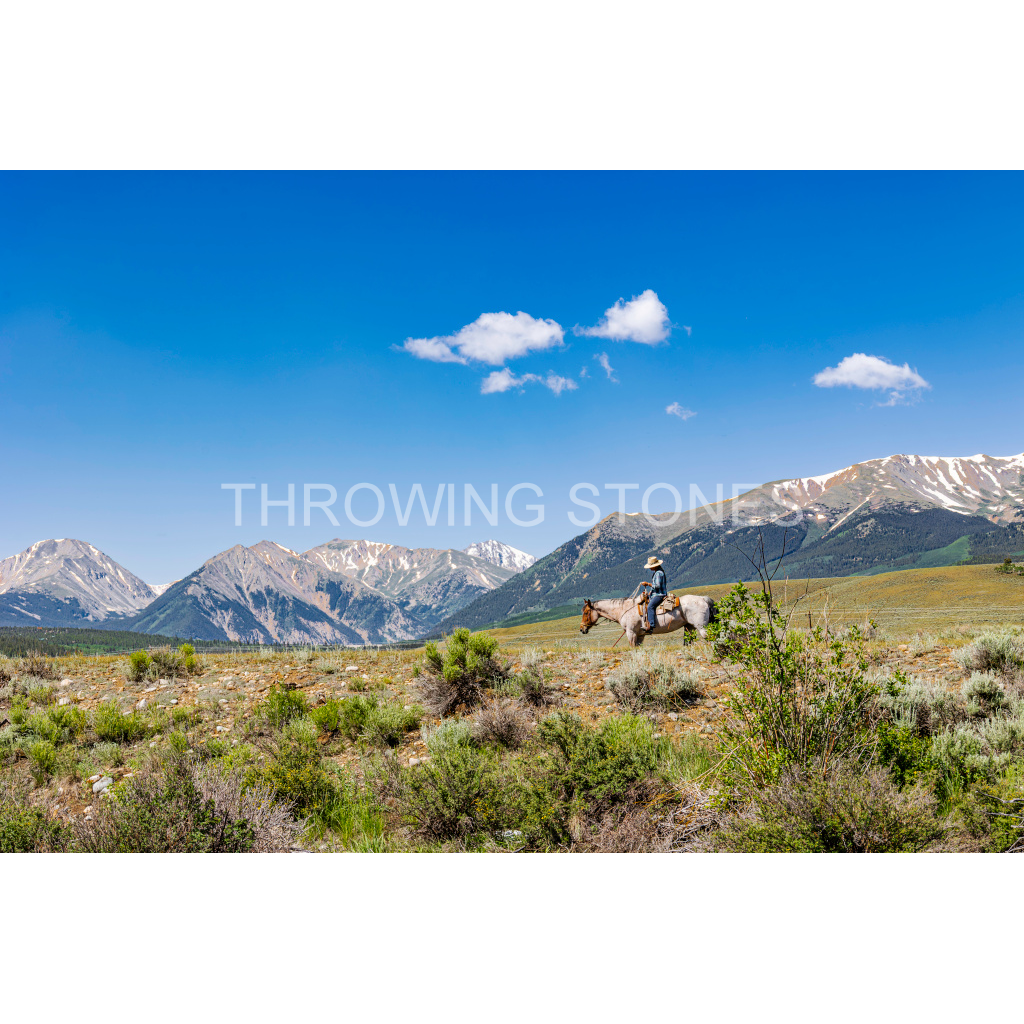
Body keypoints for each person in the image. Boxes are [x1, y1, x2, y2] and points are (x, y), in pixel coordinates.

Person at [639, 556, 667, 632]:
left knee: (650, 607)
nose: (650, 568)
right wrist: (651, 591)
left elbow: (657, 585)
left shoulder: (658, 573)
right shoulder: (658, 572)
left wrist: (648, 584)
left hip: (659, 594)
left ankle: (651, 625)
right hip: (656, 593)